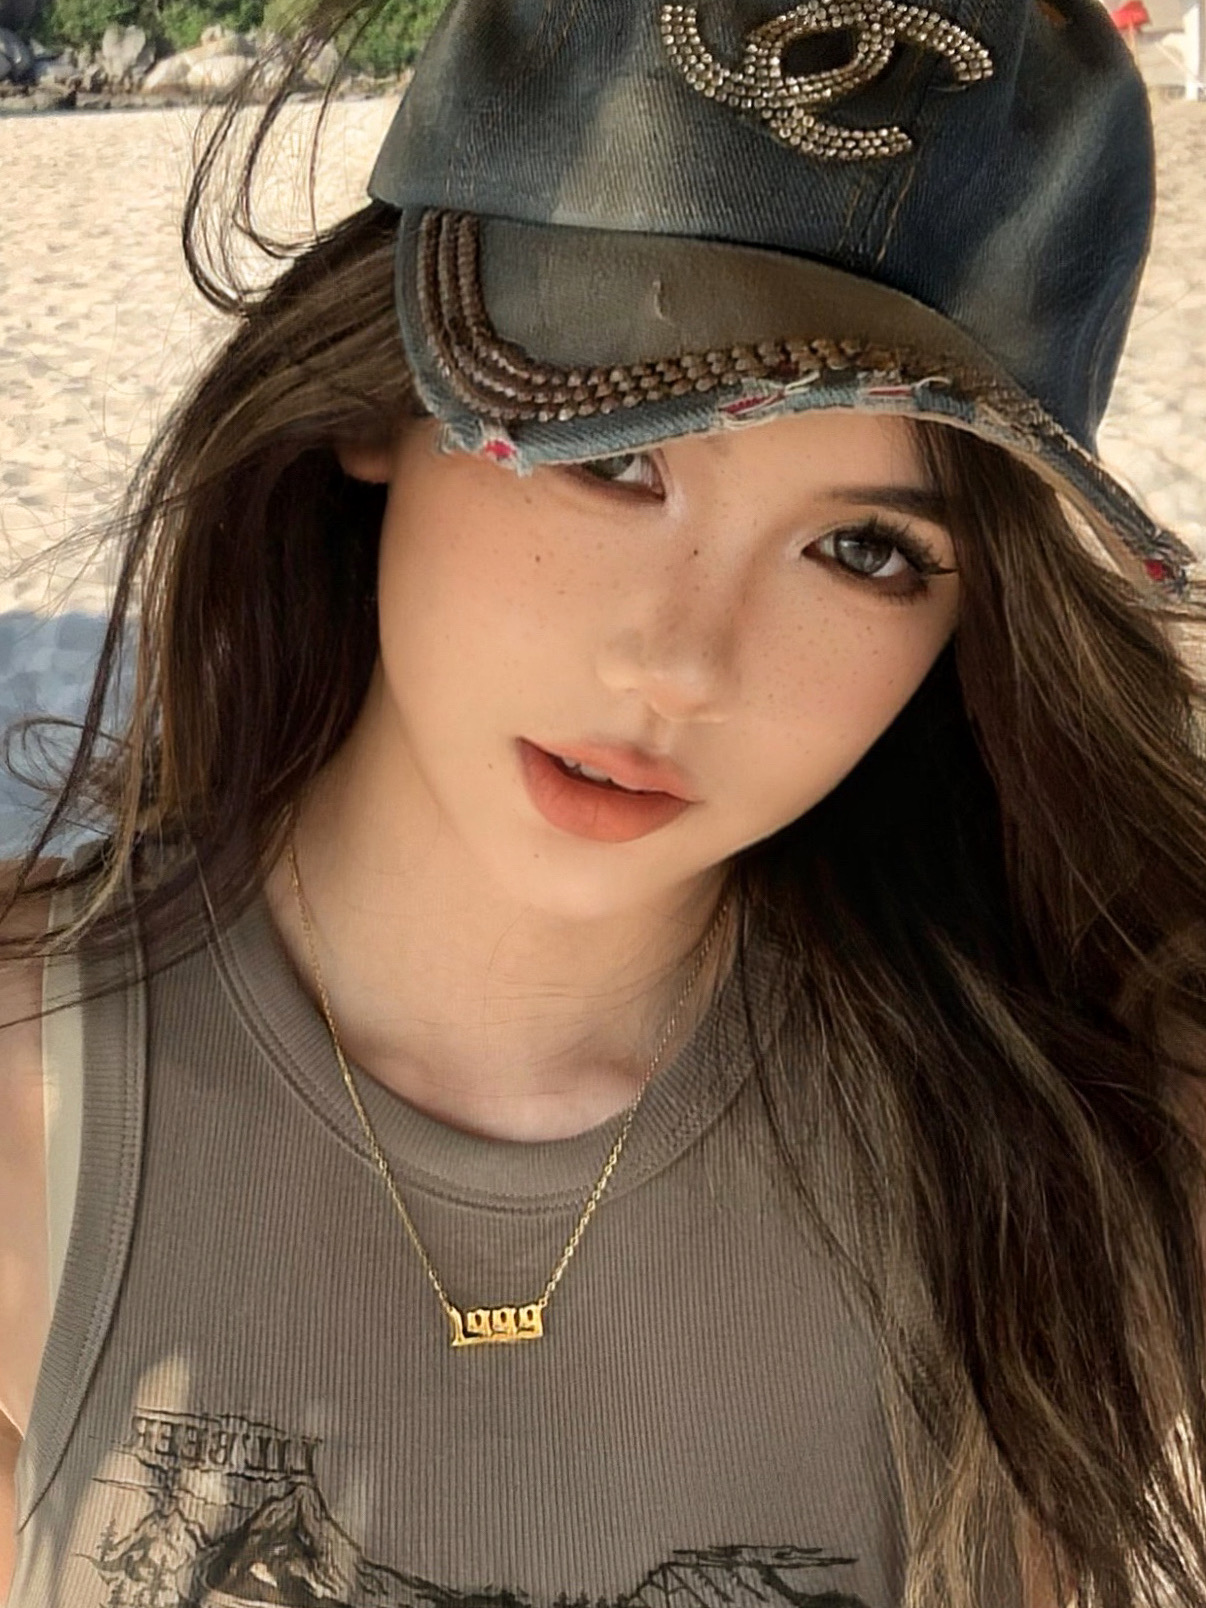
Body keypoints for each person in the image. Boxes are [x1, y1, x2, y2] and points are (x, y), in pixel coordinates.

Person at [3, 0, 1206, 1603]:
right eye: (614, 456)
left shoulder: (1077, 1145)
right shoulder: (29, 1101)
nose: (680, 665)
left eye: (863, 550)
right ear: (378, 400)